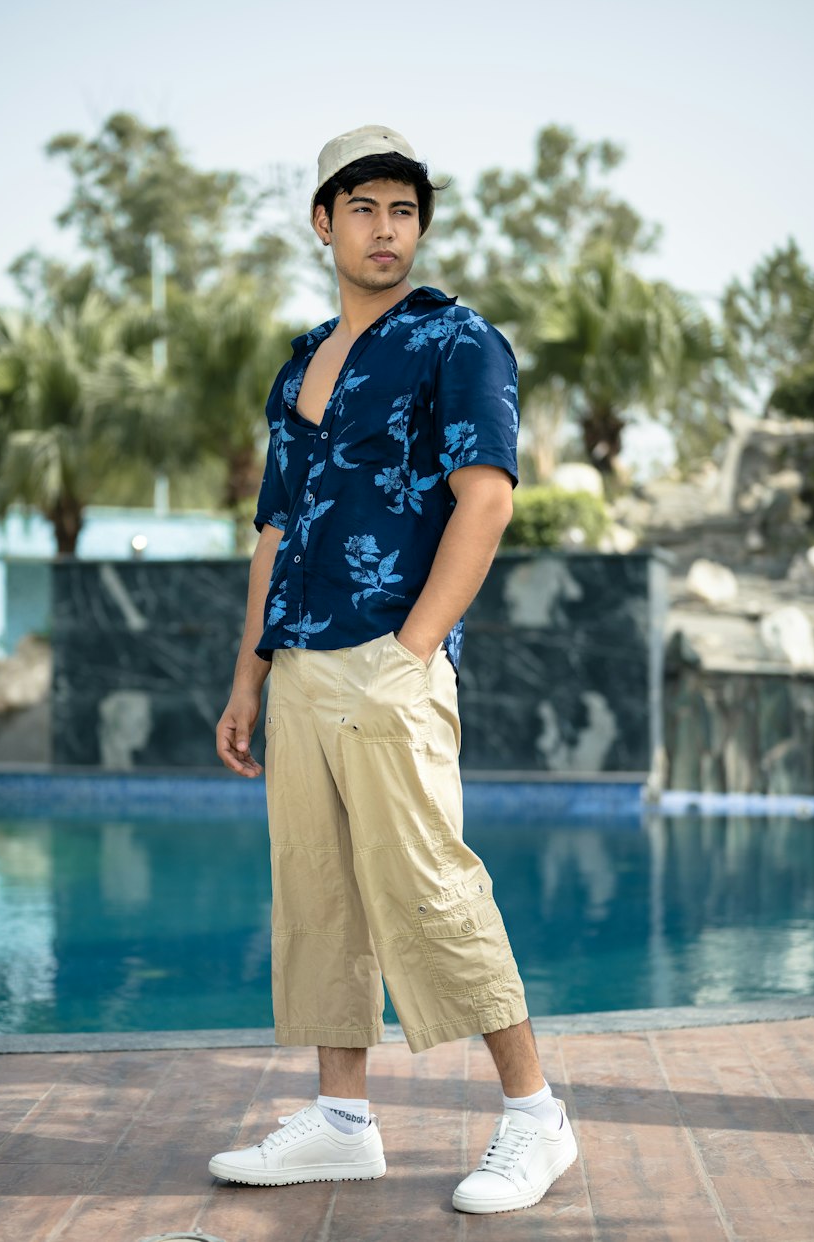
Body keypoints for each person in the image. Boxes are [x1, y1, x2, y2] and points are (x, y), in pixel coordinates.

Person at [211, 125, 577, 1215]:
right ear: (323, 221)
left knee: (429, 884)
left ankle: (533, 1115)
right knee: (318, 893)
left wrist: (412, 650)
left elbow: (488, 497)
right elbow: (274, 528)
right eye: (364, 208)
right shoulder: (304, 357)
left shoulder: (458, 341)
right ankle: (339, 1120)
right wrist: (247, 676)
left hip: (388, 658)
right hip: (302, 664)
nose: (386, 229)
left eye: (404, 210)